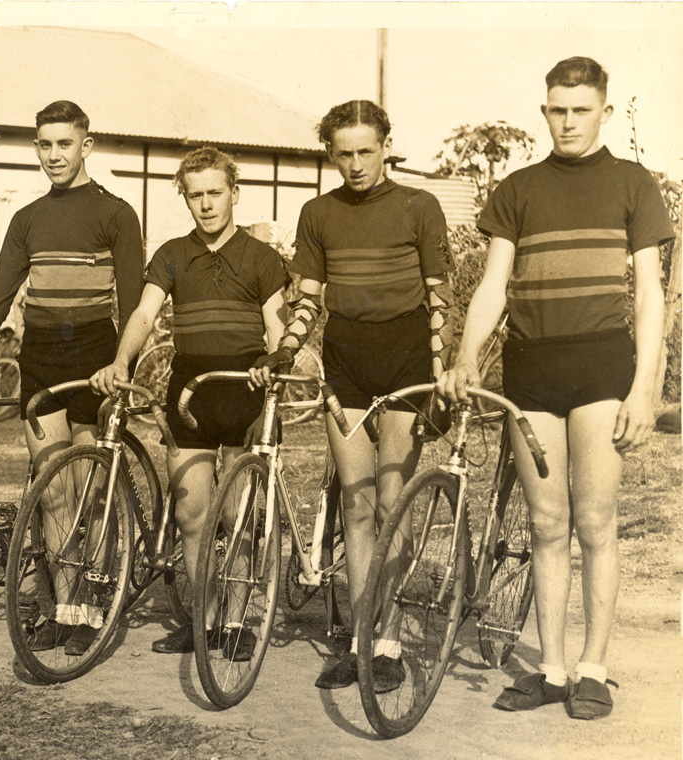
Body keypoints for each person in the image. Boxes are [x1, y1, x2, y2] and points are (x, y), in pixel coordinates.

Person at [438, 57, 673, 719]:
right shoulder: (517, 189)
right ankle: (553, 669)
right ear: (545, 111)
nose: (568, 122)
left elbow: (650, 295)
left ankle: (594, 668)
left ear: (602, 109)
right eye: (556, 110)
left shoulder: (634, 184)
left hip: (602, 368)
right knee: (546, 524)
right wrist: (465, 354)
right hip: (530, 370)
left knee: (595, 523)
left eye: (580, 109)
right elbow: (492, 286)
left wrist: (645, 389)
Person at [0, 100, 144, 657]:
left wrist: (124, 366)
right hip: (41, 357)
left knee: (93, 491)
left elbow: (134, 301)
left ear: (86, 146)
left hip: (96, 357)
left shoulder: (116, 213)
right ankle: (64, 608)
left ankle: (93, 606)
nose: (54, 155)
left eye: (65, 144)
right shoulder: (27, 219)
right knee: (52, 489)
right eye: (45, 145)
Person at [251, 100, 456, 691]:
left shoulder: (421, 206)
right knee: (357, 509)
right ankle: (366, 643)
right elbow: (309, 298)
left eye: (368, 150)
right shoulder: (319, 212)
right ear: (331, 154)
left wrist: (442, 374)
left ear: (387, 145)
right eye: (345, 154)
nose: (357, 164)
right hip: (345, 365)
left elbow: (440, 299)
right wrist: (285, 349)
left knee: (391, 505)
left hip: (406, 361)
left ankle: (388, 645)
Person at [91, 146, 287, 659]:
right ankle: (204, 620)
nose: (206, 204)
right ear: (185, 198)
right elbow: (143, 314)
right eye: (195, 195)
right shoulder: (173, 254)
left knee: (239, 516)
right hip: (188, 394)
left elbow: (277, 324)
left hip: (246, 390)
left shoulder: (262, 258)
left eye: (215, 194)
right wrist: (121, 361)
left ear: (234, 194)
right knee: (193, 511)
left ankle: (239, 621)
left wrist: (276, 363)